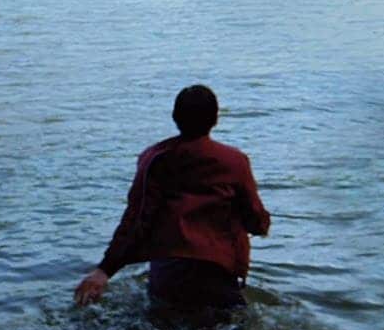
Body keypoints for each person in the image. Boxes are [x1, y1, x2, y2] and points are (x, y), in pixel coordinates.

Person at [73, 85, 270, 311]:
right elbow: (256, 219)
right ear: (215, 119)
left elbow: (137, 220)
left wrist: (104, 271)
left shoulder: (155, 159)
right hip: (219, 271)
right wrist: (260, 226)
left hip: (170, 271)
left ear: (175, 117)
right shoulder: (234, 161)